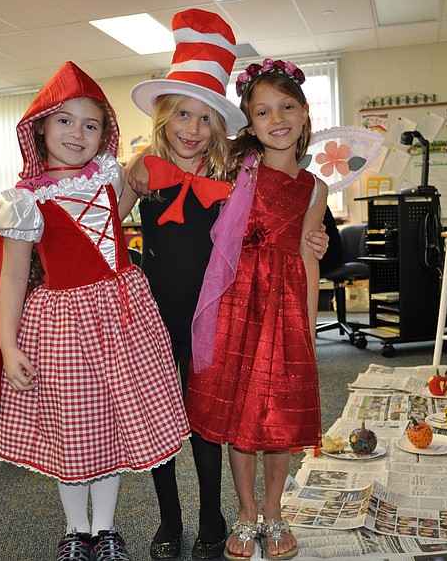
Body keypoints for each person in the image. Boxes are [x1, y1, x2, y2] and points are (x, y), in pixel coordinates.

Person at [124, 10, 329, 560]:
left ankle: (221, 513)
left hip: (226, 313)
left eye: (204, 119)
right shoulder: (144, 173)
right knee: (171, 414)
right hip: (163, 316)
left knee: (218, 415)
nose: (191, 129)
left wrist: (314, 250)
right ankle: (175, 516)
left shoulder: (227, 174)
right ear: (164, 117)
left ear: (221, 129)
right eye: (181, 116)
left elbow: (296, 228)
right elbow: (105, 218)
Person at [0, 61, 190, 561]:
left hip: (123, 318)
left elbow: (115, 220)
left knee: (111, 422)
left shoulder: (112, 177)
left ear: (105, 133)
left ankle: (108, 528)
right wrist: (8, 346)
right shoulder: (22, 201)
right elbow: (12, 275)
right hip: (63, 326)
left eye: (91, 124)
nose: (78, 133)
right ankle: (77, 528)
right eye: (65, 121)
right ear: (39, 129)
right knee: (73, 426)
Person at [186, 59, 328, 560]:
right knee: (241, 415)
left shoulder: (316, 187)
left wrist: (308, 327)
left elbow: (309, 258)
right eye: (263, 111)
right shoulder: (237, 169)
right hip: (237, 305)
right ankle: (245, 514)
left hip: (286, 307)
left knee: (279, 417)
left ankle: (274, 511)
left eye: (287, 107)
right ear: (250, 121)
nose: (278, 118)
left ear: (305, 113)